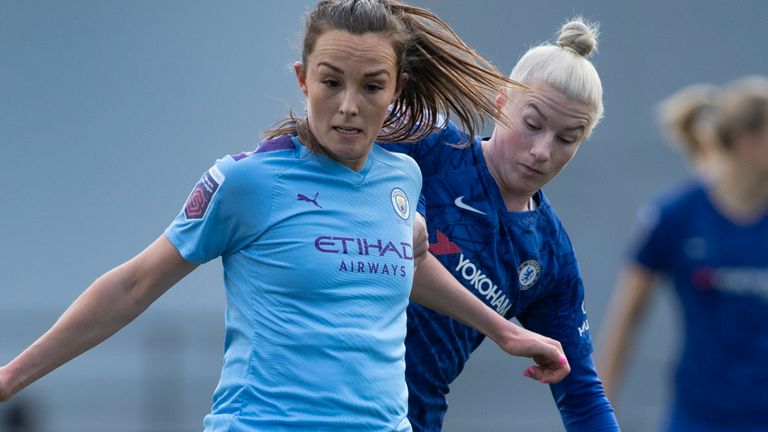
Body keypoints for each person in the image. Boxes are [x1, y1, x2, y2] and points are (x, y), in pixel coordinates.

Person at [0, 1, 570, 431]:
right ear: (303, 79)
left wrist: (506, 332)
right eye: (331, 82)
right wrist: (10, 378)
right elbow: (132, 285)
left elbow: (409, 258)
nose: (349, 105)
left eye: (371, 86)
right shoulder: (247, 182)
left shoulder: (402, 179)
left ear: (395, 89)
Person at [380, 17, 619, 431]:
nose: (542, 150)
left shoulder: (549, 255)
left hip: (406, 420)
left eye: (567, 138)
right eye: (532, 124)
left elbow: (582, 396)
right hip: (312, 397)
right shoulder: (430, 146)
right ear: (501, 102)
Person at [599, 76, 768, 431]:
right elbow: (627, 316)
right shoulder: (675, 216)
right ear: (746, 141)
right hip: (698, 419)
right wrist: (598, 413)